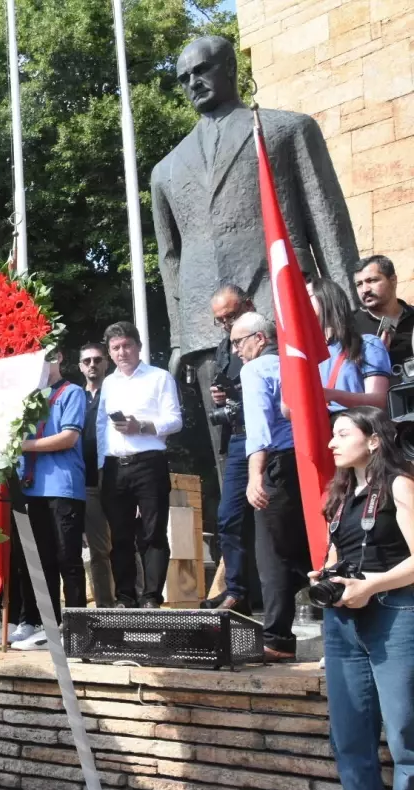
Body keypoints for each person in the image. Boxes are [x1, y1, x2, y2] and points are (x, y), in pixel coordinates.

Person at [151, 34, 356, 394]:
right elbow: (170, 260)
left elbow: (327, 222)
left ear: (230, 67)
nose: (192, 83)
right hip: (207, 327)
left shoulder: (288, 130)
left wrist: (350, 309)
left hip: (282, 304)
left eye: (201, 70)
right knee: (230, 446)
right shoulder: (166, 170)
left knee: (301, 429)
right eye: (184, 78)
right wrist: (179, 340)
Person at [318, 407, 414, 790]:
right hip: (342, 622)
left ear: (373, 440)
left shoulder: (400, 484)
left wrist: (373, 585)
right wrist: (326, 574)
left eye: (342, 434)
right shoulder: (338, 493)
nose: (331, 443)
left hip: (394, 614)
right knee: (349, 738)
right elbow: (337, 553)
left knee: (405, 736)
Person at [234, 312, 310, 663]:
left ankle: (277, 638)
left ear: (259, 339)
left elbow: (260, 430)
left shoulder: (255, 370)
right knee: (302, 548)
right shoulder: (296, 363)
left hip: (278, 463)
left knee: (272, 554)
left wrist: (255, 477)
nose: (235, 350)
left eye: (239, 341)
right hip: (308, 462)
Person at [96, 322, 183, 608]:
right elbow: (100, 426)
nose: (122, 352)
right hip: (114, 466)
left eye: (126, 346)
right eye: (116, 348)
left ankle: (151, 597)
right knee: (120, 535)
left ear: (138, 347)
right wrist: (100, 462)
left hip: (149, 463)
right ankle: (125, 596)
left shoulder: (159, 378)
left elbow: (175, 421)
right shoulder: (109, 383)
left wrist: (141, 426)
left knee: (152, 532)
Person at [5, 350, 86, 650]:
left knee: (68, 559)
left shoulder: (71, 392)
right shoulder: (30, 399)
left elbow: (68, 437)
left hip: (62, 487)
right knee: (43, 562)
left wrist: (24, 445)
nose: (41, 364)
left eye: (46, 357)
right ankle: (46, 625)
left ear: (59, 358)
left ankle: (78, 626)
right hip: (32, 488)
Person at [201, 286, 257, 613]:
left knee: (271, 525)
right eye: (219, 320)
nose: (225, 325)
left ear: (248, 306)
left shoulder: (270, 340)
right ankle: (237, 591)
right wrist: (223, 396)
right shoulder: (224, 349)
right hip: (238, 438)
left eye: (231, 316)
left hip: (272, 438)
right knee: (229, 518)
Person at [309, 277, 391, 411]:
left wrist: (331, 395)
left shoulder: (367, 344)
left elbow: (378, 401)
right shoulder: (307, 354)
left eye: (308, 295)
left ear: (327, 298)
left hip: (357, 428)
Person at [79, 343, 116, 608]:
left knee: (124, 543)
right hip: (86, 480)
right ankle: (104, 607)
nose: (92, 365)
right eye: (87, 361)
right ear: (80, 366)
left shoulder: (116, 392)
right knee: (97, 549)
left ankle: (130, 602)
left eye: (97, 360)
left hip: (116, 478)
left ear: (106, 363)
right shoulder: (74, 398)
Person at [353, 254, 414, 367]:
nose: (365, 290)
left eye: (372, 280)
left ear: (393, 280)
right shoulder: (350, 326)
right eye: (359, 284)